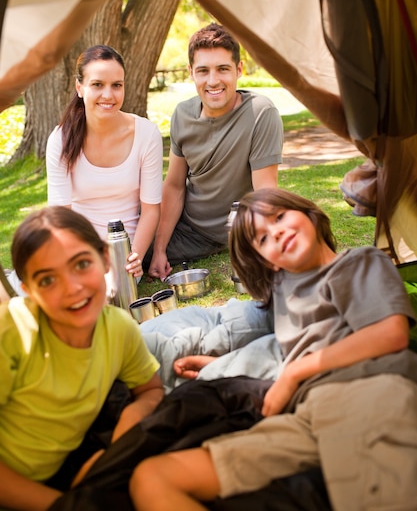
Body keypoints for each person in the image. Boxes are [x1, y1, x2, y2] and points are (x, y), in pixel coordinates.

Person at [129, 188, 417, 511]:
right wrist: (222, 364)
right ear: (269, 264)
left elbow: (390, 334)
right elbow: (276, 343)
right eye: (263, 239)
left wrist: (294, 373)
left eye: (280, 216)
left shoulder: (357, 263)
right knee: (153, 478)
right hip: (307, 414)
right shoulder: (284, 288)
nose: (277, 231)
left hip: (367, 394)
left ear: (308, 212)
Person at [0, 206, 164, 511]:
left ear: (105, 257)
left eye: (81, 264)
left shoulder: (119, 328)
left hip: (72, 465)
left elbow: (151, 390)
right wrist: (65, 505)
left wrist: (124, 435)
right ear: (28, 291)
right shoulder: (11, 334)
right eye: (47, 280)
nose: (72, 288)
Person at [145, 22, 284, 280]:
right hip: (184, 224)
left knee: (134, 256)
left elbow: (266, 192)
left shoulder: (260, 113)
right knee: (129, 246)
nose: (213, 81)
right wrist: (160, 250)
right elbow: (175, 186)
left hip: (226, 232)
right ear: (191, 73)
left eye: (223, 69)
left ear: (239, 69)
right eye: (203, 71)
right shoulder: (182, 114)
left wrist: (261, 250)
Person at [46, 44, 162, 283]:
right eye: (98, 85)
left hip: (126, 256)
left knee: (108, 293)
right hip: (78, 251)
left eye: (116, 85)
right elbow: (60, 218)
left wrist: (135, 257)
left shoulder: (147, 134)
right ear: (80, 87)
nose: (108, 95)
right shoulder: (61, 139)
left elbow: (151, 210)